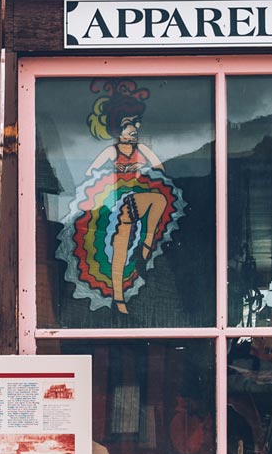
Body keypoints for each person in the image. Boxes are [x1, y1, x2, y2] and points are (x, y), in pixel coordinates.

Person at [56, 78, 183, 316]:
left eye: (135, 124)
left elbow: (161, 170)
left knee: (160, 200)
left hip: (134, 197)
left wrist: (142, 169)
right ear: (117, 129)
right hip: (114, 201)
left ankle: (145, 246)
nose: (133, 129)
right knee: (120, 250)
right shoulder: (110, 151)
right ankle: (118, 295)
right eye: (128, 125)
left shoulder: (141, 150)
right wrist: (115, 174)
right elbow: (90, 173)